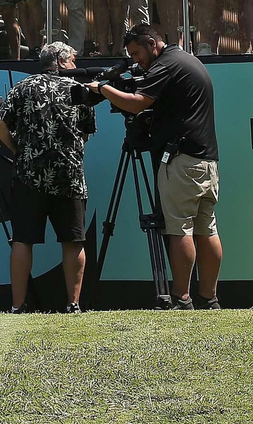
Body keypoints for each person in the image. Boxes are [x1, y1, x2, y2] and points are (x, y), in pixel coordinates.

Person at [91, 24, 223, 309]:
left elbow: (138, 104)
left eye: (137, 53)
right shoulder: (186, 59)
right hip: (205, 159)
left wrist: (104, 89)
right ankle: (209, 298)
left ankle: (181, 298)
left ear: (152, 43)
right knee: (206, 229)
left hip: (181, 160)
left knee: (179, 229)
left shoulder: (166, 65)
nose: (136, 60)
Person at [0, 41, 95, 312]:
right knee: (73, 240)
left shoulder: (23, 87)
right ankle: (73, 304)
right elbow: (86, 132)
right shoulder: (78, 88)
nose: (75, 65)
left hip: (29, 176)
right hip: (69, 175)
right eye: (72, 60)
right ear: (61, 62)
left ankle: (17, 306)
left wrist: (17, 149)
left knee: (23, 239)